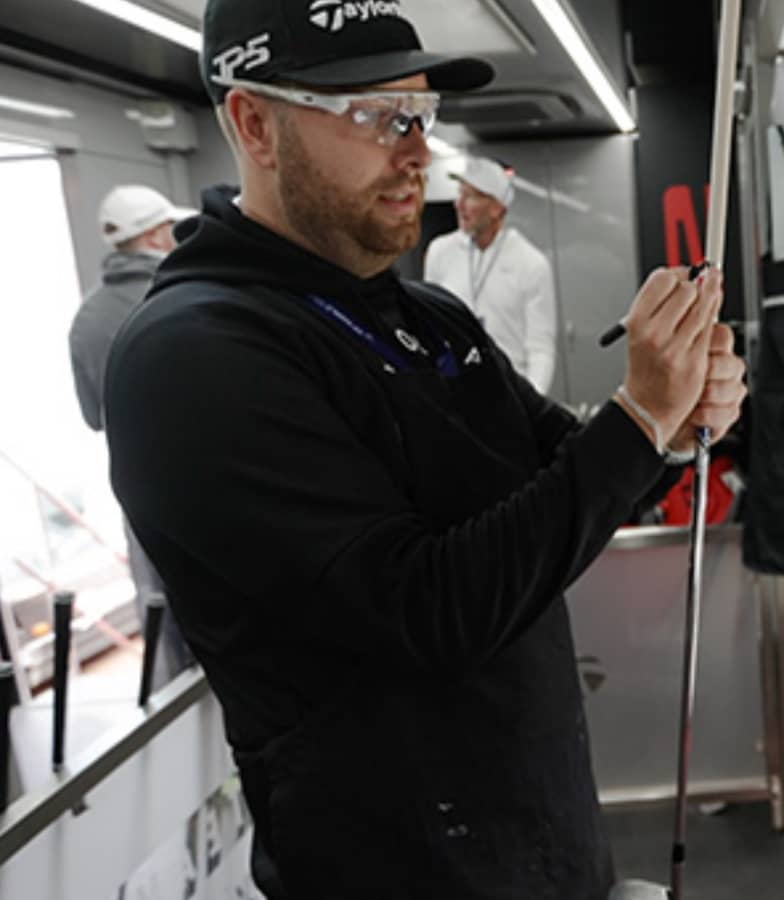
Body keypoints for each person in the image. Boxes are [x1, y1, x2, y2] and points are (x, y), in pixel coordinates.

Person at [102, 1, 745, 897]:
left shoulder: (424, 312)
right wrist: (637, 421)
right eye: (375, 116)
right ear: (254, 122)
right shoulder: (194, 355)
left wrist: (668, 430)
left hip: (545, 854)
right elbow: (423, 608)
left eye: (422, 117)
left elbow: (564, 464)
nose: (418, 152)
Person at [67, 184, 195, 688]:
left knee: (162, 614)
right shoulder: (182, 297)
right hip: (205, 485)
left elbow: (92, 417)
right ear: (158, 234)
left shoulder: (86, 319)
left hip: (137, 493)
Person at [424, 156, 559, 392]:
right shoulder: (440, 252)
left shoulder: (530, 263)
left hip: (510, 392)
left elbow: (540, 348)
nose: (459, 204)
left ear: (497, 207)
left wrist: (534, 406)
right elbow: (429, 328)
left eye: (471, 196)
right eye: (459, 193)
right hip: (456, 391)